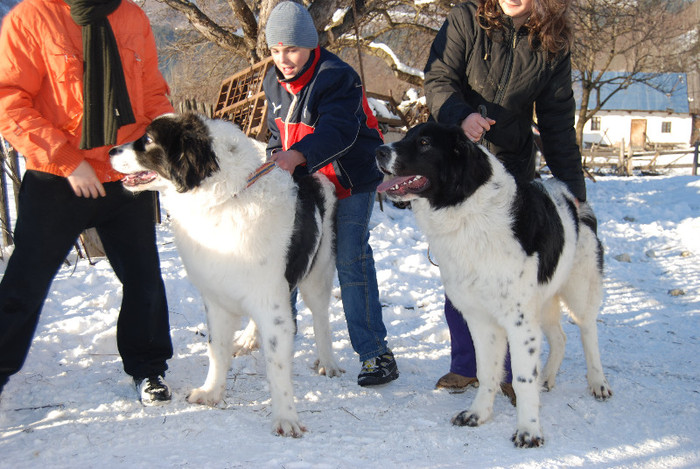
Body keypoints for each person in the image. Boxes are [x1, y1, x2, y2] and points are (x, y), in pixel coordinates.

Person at [0, 0, 174, 405]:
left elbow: (152, 92)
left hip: (123, 174)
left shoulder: (130, 15)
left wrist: (162, 148)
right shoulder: (32, 17)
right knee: (25, 284)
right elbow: (9, 100)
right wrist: (68, 160)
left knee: (144, 281)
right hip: (59, 177)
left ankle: (148, 369)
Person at [423, 0, 587, 395]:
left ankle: (511, 374)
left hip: (510, 174)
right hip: (457, 165)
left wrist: (574, 191)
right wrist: (460, 115)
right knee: (460, 270)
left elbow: (557, 124)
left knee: (510, 278)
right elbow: (439, 78)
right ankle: (466, 365)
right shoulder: (466, 18)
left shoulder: (552, 42)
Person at [262, 1, 399, 386]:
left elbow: (339, 131)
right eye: (275, 50)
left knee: (349, 253)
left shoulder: (338, 76)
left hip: (349, 179)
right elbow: (276, 133)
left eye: (291, 48)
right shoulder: (272, 81)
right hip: (305, 182)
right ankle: (281, 338)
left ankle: (375, 354)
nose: (283, 59)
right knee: (286, 252)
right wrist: (277, 158)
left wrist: (298, 155)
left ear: (310, 44)